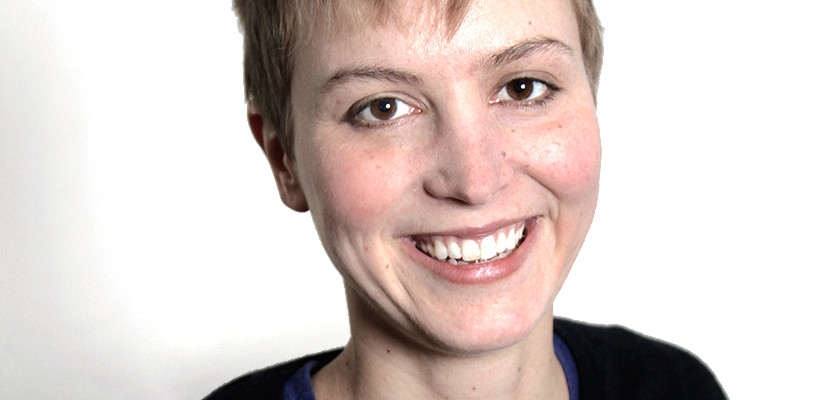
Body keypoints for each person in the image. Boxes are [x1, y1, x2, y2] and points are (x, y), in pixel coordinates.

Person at [205, 0, 726, 399]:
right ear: (285, 159)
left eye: (523, 87)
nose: (476, 181)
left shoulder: (676, 388)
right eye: (383, 109)